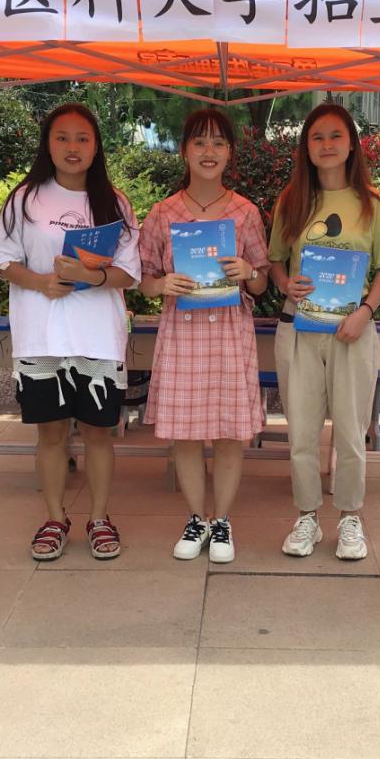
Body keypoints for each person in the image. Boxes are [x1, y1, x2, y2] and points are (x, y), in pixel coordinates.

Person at [0, 104, 140, 562]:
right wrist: (41, 282)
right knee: (51, 434)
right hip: (41, 338)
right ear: (48, 144)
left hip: (98, 338)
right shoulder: (24, 199)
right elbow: (1, 261)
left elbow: (130, 273)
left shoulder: (115, 203)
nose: (72, 148)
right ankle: (55, 518)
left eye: (82, 138)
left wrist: (91, 277)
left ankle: (99, 518)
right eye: (62, 138)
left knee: (99, 433)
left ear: (96, 147)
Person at [268, 103, 380, 561]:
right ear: (306, 147)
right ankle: (306, 516)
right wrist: (285, 283)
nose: (326, 145)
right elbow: (275, 261)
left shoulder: (372, 203)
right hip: (299, 328)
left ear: (351, 145)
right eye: (317, 137)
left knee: (350, 432)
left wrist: (365, 311)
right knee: (302, 432)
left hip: (353, 329)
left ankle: (349, 517)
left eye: (335, 136)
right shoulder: (292, 201)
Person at [138, 109, 270, 563]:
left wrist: (248, 271)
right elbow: (143, 279)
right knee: (187, 435)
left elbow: (261, 284)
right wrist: (162, 284)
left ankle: (223, 521)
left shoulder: (246, 212)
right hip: (183, 333)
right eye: (199, 142)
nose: (208, 151)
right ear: (184, 151)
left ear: (230, 152)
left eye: (218, 143)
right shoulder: (163, 213)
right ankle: (197, 519)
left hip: (230, 334)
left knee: (231, 434)